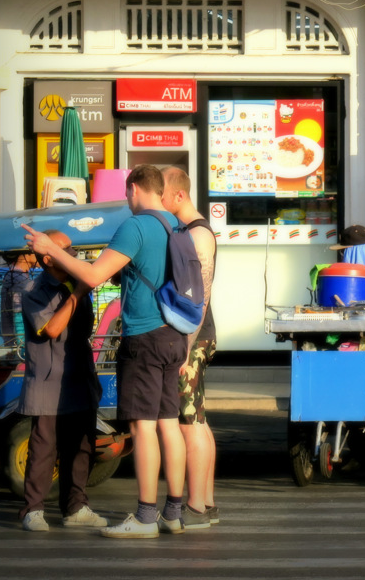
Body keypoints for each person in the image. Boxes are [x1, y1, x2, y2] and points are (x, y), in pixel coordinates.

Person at [23, 165, 192, 538]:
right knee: (169, 424)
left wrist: (50, 248)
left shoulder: (136, 226)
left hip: (145, 336)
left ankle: (146, 517)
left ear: (133, 189)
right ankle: (174, 512)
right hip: (174, 335)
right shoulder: (176, 227)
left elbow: (95, 275)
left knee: (143, 427)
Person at [19, 230, 107, 532]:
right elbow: (52, 329)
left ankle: (76, 507)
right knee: (44, 450)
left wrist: (80, 289)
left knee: (82, 447)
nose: (74, 255)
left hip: (79, 377)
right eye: (67, 250)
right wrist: (78, 294)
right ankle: (33, 510)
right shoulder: (34, 290)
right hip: (47, 382)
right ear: (48, 257)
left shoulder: (77, 280)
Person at [161, 166, 218, 530]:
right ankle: (206, 503)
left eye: (162, 195)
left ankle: (196, 506)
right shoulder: (191, 231)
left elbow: (201, 295)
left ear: (179, 196)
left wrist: (185, 347)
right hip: (198, 337)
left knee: (188, 422)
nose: (160, 201)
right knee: (197, 419)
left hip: (192, 338)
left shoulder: (198, 234)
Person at [1, 250, 36, 342]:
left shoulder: (14, 276)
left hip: (13, 339)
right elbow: (18, 314)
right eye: (35, 252)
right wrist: (22, 343)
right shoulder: (18, 279)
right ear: (26, 255)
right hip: (19, 344)